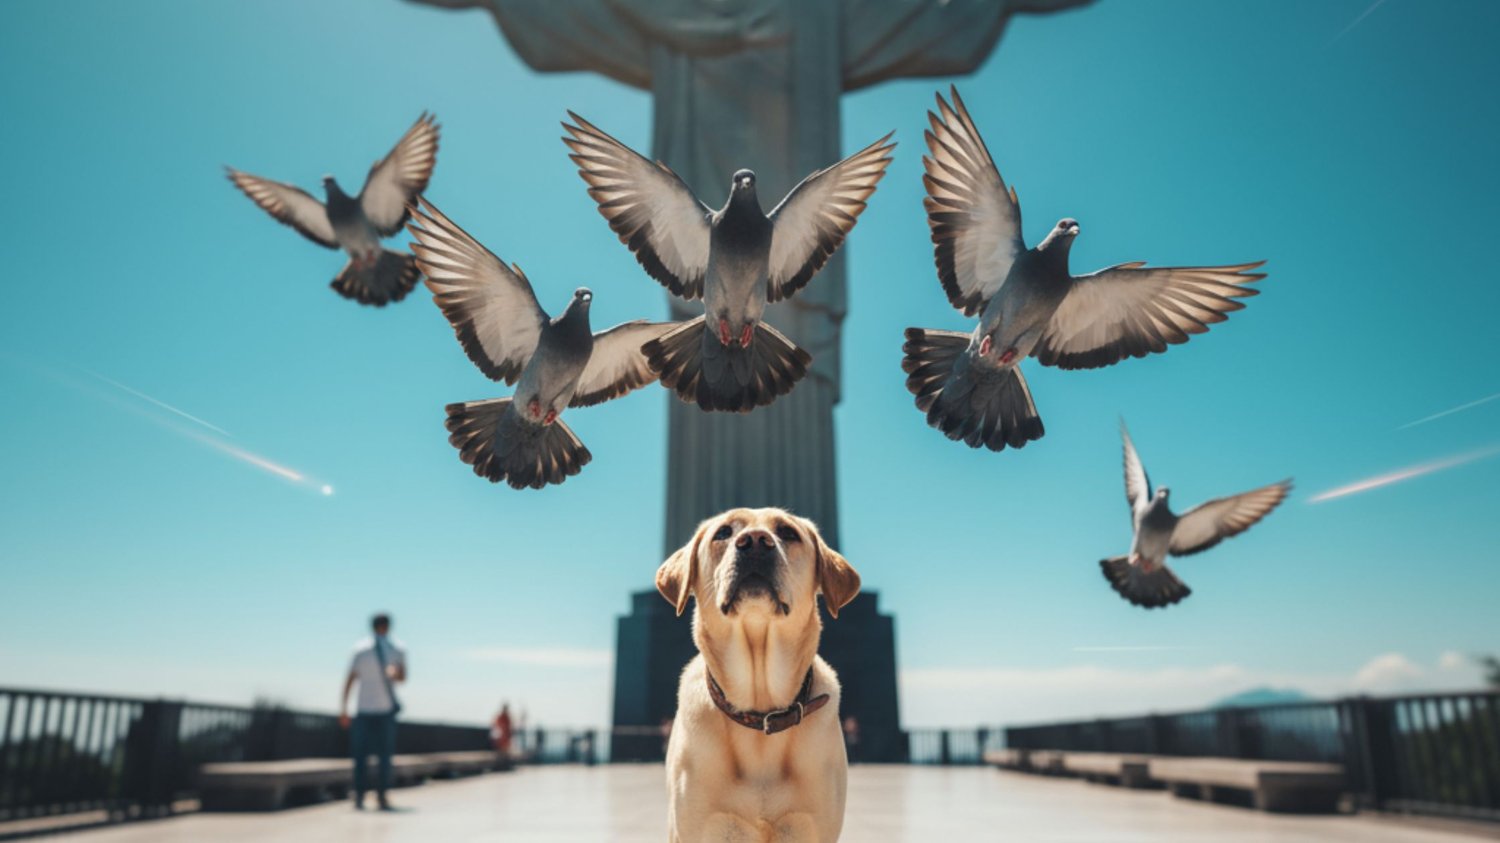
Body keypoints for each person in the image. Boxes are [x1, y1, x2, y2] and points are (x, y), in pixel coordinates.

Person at [339, 613, 407, 810]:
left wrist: (343, 708)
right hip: (383, 710)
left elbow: (349, 680)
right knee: (383, 756)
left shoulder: (360, 649)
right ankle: (381, 796)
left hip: (363, 709)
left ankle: (361, 796)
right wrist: (395, 673)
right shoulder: (397, 649)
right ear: (388, 626)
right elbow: (403, 677)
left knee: (361, 756)